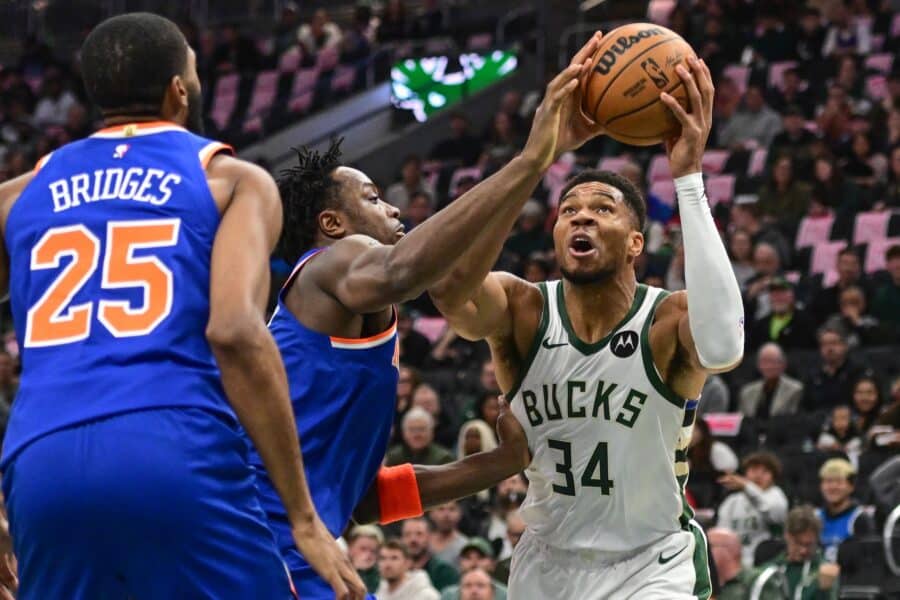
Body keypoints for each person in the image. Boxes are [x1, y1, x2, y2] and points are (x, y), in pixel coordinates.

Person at [0, 13, 358, 600]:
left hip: (41, 463)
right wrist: (302, 517)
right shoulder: (232, 181)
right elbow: (235, 331)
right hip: (173, 444)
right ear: (178, 90)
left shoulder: (18, 196)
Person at [252, 33, 612, 592]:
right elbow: (410, 270)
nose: (393, 207)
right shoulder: (331, 263)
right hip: (260, 537)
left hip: (287, 537)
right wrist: (529, 158)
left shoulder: (349, 309)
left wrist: (502, 462)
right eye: (373, 198)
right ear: (332, 224)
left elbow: (365, 500)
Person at [428, 57, 743, 599]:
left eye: (603, 208)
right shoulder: (522, 310)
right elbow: (448, 290)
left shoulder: (666, 320)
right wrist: (533, 162)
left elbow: (724, 345)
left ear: (636, 242)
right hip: (546, 563)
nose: (582, 215)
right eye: (569, 209)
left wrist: (688, 179)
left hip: (651, 563)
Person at [716, 452, 789, 568]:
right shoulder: (732, 501)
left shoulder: (776, 496)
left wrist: (747, 486)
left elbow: (770, 512)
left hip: (767, 562)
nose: (758, 476)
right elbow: (722, 534)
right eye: (754, 470)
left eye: (765, 471)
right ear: (745, 473)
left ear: (773, 478)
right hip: (735, 563)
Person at [756, 506, 841, 600]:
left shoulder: (825, 572)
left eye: (809, 544)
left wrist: (824, 591)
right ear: (787, 536)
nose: (803, 550)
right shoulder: (769, 572)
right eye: (798, 543)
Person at [816, 458, 875, 563]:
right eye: (828, 481)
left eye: (839, 482)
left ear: (851, 487)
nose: (833, 487)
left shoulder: (860, 519)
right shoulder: (815, 517)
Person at [803, 326, 873, 414]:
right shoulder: (813, 376)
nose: (829, 348)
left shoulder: (858, 372)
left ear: (845, 346)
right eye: (824, 344)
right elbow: (806, 407)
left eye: (834, 343)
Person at [748, 277, 816, 352]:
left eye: (782, 292)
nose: (778, 297)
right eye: (774, 293)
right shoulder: (760, 324)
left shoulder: (805, 321)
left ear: (792, 295)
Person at [738, 343, 804, 419]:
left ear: (783, 364)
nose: (769, 366)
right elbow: (741, 420)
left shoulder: (796, 390)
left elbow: (793, 420)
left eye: (773, 361)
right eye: (764, 361)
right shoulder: (746, 392)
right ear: (758, 365)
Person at [708, 528, 775, 600]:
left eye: (709, 547)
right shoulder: (707, 584)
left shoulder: (759, 581)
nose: (704, 552)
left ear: (730, 549)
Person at [401, 517, 459, 591]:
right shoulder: (396, 572)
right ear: (401, 538)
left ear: (429, 537)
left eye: (419, 534)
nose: (413, 539)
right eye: (407, 534)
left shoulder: (443, 571)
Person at [385, 407, 455, 466]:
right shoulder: (393, 457)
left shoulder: (444, 459)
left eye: (422, 429)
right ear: (404, 433)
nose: (417, 434)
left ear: (432, 432)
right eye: (412, 429)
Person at [376, 539, 440, 600]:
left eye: (394, 558)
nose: (387, 564)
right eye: (383, 558)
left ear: (407, 563)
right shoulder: (379, 595)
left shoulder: (426, 596)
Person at [429, 501, 470, 566]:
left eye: (452, 509)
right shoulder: (423, 541)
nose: (446, 515)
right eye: (441, 509)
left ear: (459, 513)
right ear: (431, 513)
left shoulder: (465, 546)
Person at [347, 525, 384, 594]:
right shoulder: (336, 569)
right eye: (363, 549)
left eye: (373, 551)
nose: (368, 554)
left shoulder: (382, 577)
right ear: (350, 547)